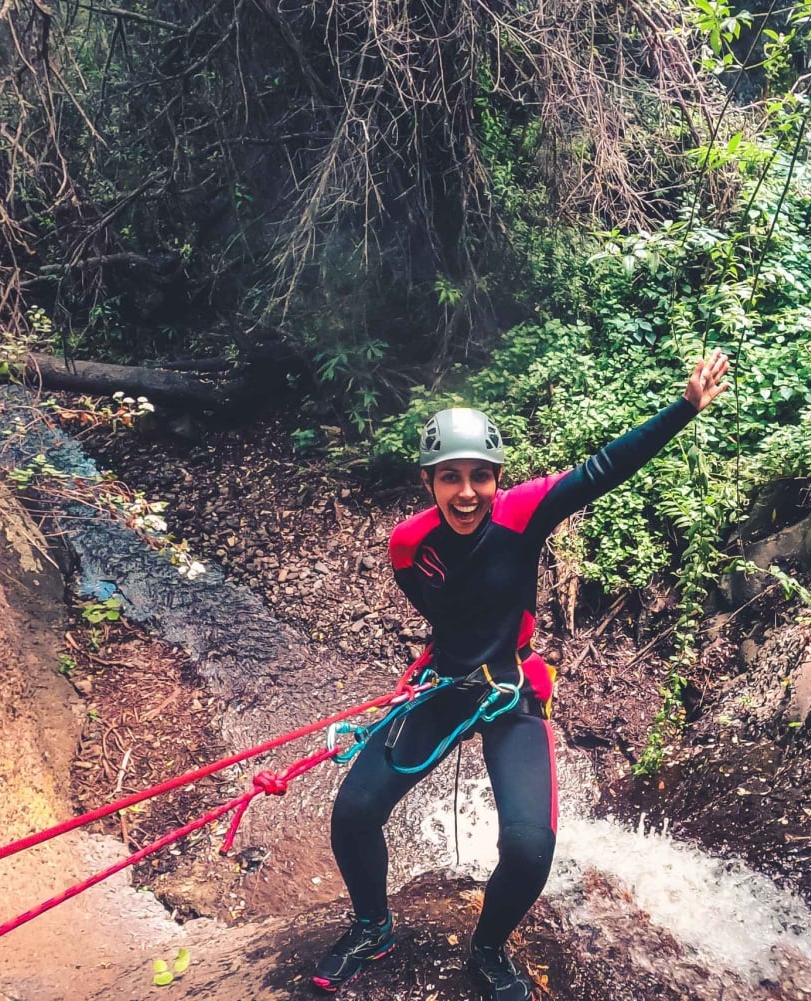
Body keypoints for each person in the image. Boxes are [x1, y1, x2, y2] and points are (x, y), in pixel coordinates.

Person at [313, 350, 731, 1000]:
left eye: (480, 476)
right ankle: (373, 928)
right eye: (450, 477)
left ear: (498, 477)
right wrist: (446, 668)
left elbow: (602, 469)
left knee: (531, 847)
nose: (467, 491)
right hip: (444, 688)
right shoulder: (408, 545)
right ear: (429, 481)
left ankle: (487, 950)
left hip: (510, 694)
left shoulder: (523, 512)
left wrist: (683, 409)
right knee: (354, 812)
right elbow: (447, 614)